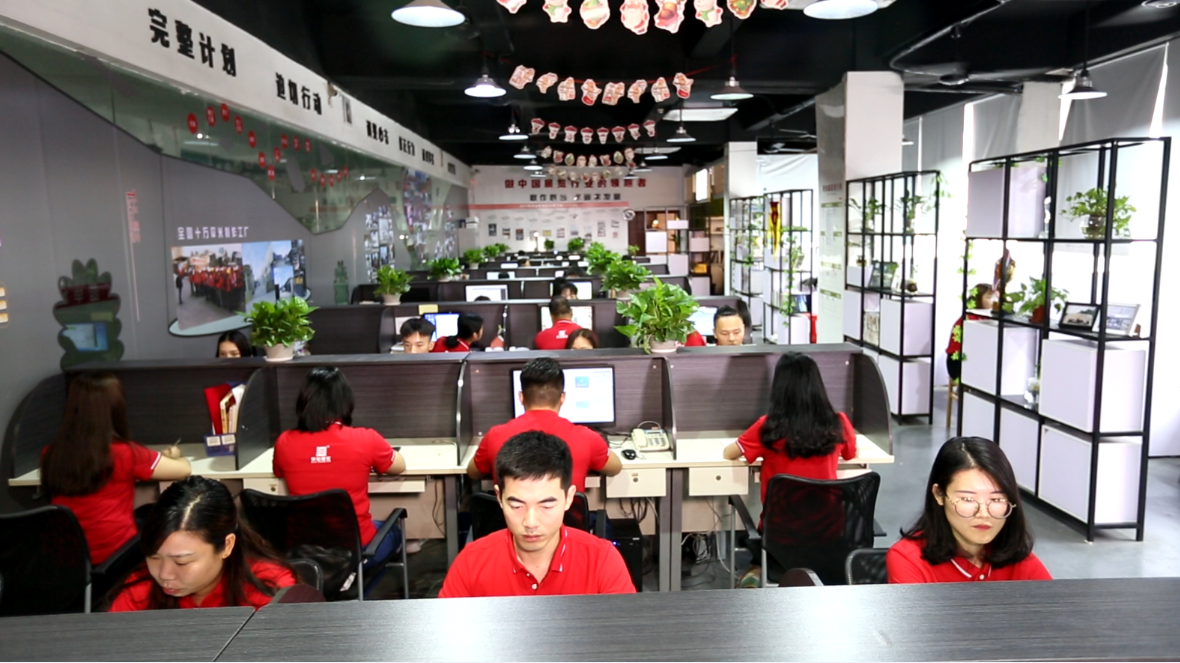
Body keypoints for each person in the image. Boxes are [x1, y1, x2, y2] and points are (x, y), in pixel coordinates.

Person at [441, 432, 635, 598]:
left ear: (568, 498)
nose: (531, 522)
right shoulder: (470, 562)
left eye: (546, 505)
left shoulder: (602, 560)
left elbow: (626, 628)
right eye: (517, 505)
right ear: (499, 497)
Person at [722, 352, 858, 587]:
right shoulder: (838, 422)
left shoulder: (768, 426)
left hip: (780, 538)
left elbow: (729, 453)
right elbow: (850, 454)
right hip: (829, 535)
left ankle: (757, 569)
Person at [40, 373, 192, 566]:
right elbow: (183, 469)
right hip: (115, 555)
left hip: (68, 558)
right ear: (115, 408)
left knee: (145, 513)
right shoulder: (125, 453)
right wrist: (176, 455)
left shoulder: (51, 453)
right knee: (158, 514)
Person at [273, 367, 407, 578]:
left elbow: (279, 471)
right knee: (393, 532)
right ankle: (356, 586)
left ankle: (341, 582)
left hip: (304, 549)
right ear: (345, 401)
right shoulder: (365, 439)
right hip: (356, 547)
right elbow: (399, 466)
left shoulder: (284, 442)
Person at [106, 476, 296, 611]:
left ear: (227, 546)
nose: (164, 574)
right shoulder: (141, 592)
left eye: (181, 562)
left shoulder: (269, 589)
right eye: (154, 557)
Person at [887, 437, 1052, 584]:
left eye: (996, 499)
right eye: (968, 499)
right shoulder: (909, 560)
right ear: (939, 494)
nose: (983, 513)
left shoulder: (1019, 560)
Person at [468, 357, 621, 492]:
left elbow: (473, 473)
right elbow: (615, 468)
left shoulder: (495, 435)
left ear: (521, 397)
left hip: (514, 516)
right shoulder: (586, 437)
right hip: (566, 517)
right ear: (562, 398)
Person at [946, 284, 996, 382]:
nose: (993, 301)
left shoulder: (984, 317)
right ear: (978, 299)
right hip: (958, 363)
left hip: (972, 360)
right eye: (989, 297)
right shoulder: (970, 319)